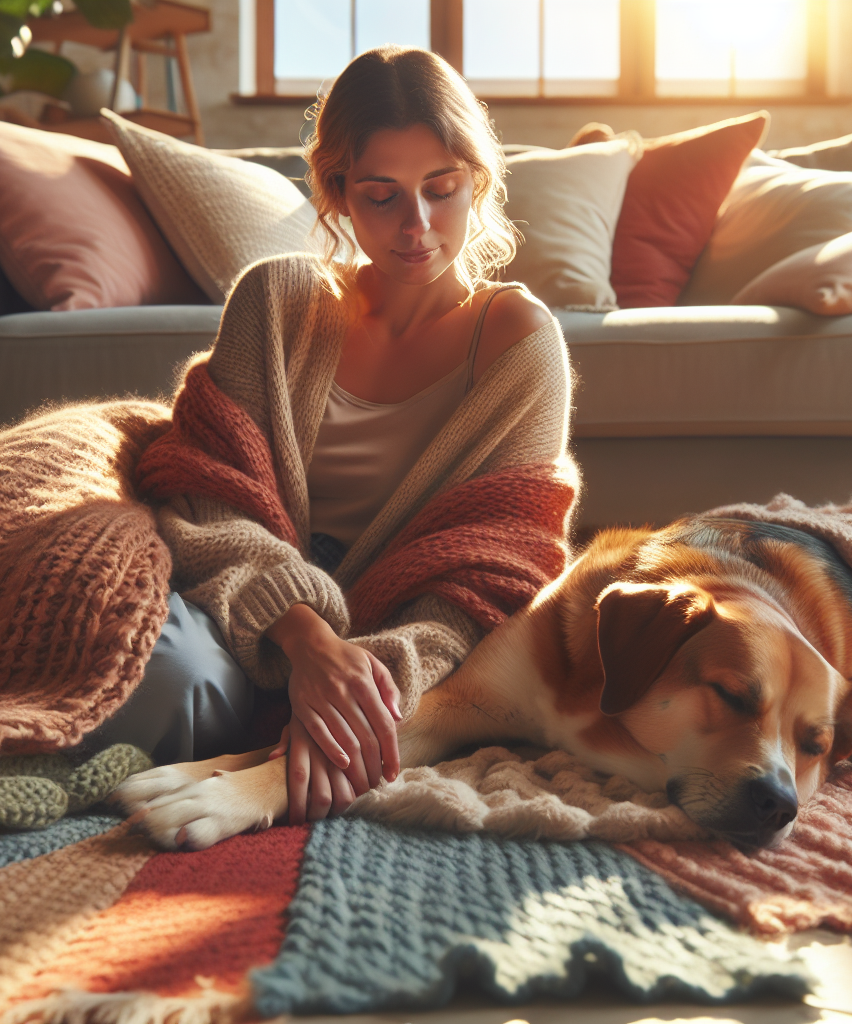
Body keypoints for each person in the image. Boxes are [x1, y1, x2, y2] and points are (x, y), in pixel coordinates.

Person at [89, 45, 578, 825]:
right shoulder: (277, 302)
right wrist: (311, 645)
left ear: (478, 181)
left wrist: (364, 690)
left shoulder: (519, 342)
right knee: (171, 696)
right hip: (247, 619)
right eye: (382, 196)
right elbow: (208, 498)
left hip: (399, 649)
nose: (417, 227)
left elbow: (491, 573)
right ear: (338, 194)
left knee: (198, 725)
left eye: (441, 190)